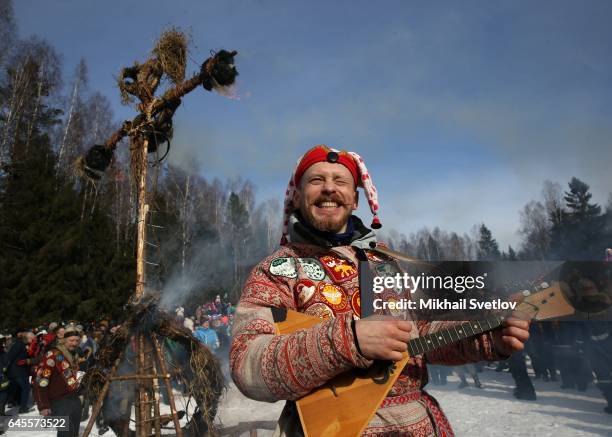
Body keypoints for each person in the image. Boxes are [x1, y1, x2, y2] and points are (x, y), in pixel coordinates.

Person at [230, 145, 531, 436]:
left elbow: (420, 335)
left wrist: (486, 338)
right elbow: (247, 365)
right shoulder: (277, 269)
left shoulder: (387, 263)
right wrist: (349, 341)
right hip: (329, 428)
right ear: (296, 196)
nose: (329, 189)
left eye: (340, 181)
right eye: (316, 180)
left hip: (416, 425)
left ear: (356, 199)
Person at [33, 326, 83, 437]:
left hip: (74, 399)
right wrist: (43, 405)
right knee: (66, 433)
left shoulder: (73, 355)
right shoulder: (52, 355)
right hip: (58, 402)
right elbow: (40, 381)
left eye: (77, 341)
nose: (74, 343)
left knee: (74, 432)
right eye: (71, 340)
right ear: (64, 340)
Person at [6, 330, 34, 414]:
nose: (32, 341)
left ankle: (17, 402)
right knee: (26, 387)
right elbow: (10, 356)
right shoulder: (19, 345)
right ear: (28, 338)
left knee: (18, 387)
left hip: (17, 370)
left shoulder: (22, 344)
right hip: (17, 371)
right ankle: (23, 407)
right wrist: (6, 368)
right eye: (32, 339)